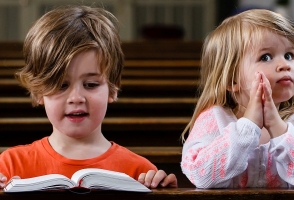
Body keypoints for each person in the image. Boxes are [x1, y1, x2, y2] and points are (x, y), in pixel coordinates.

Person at [0, 5, 177, 189]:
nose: (76, 98)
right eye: (61, 85)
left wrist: (165, 194)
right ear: (38, 92)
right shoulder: (9, 166)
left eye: (91, 85)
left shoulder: (140, 173)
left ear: (113, 88)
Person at [180, 9, 294, 188]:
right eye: (266, 57)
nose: (285, 65)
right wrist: (248, 125)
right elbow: (199, 175)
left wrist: (278, 127)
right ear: (232, 79)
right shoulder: (214, 118)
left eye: (289, 55)